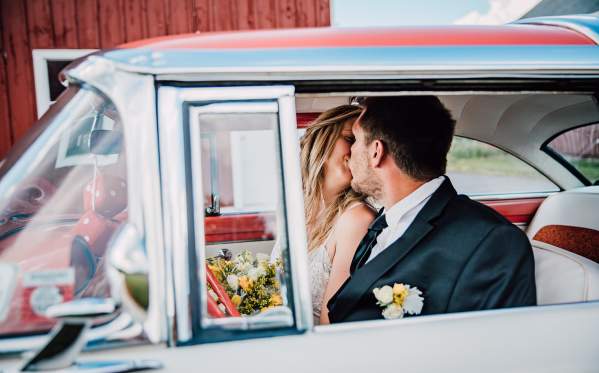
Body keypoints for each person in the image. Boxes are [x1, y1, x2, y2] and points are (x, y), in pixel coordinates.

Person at [327, 96, 536, 323]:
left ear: (376, 152)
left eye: (355, 140)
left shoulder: (493, 242)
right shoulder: (383, 222)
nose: (350, 152)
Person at [300, 105, 376, 325]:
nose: (357, 153)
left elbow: (330, 323)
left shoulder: (357, 220)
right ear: (322, 140)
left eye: (364, 145)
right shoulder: (299, 206)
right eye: (350, 140)